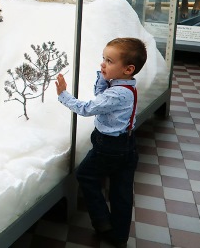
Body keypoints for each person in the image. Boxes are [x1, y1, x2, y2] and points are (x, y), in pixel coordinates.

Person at [55, 37, 147, 248]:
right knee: (121, 192)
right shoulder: (125, 86)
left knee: (85, 175)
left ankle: (103, 223)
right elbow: (101, 96)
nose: (102, 64)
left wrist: (63, 95)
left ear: (128, 69)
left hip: (109, 147)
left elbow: (87, 108)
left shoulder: (117, 93)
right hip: (127, 145)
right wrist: (105, 75)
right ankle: (120, 236)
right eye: (103, 58)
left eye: (109, 61)